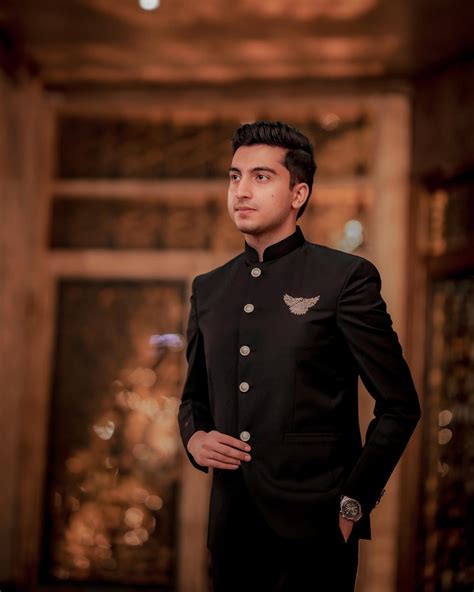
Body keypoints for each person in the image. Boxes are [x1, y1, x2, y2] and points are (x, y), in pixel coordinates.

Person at [178, 120, 421, 591]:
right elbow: (193, 399)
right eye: (235, 176)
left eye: (261, 176)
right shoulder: (208, 289)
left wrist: (353, 504)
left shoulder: (345, 278)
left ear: (298, 193)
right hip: (232, 534)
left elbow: (400, 406)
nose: (241, 190)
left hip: (317, 535)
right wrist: (195, 438)